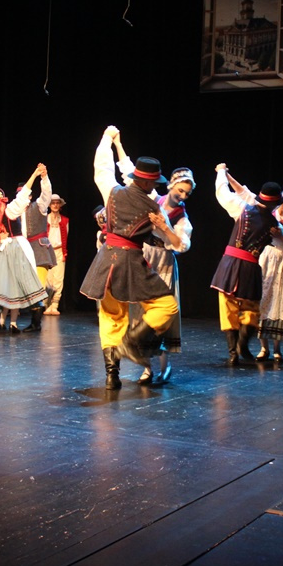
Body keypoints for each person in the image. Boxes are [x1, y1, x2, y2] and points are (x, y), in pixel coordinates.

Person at [80, 126, 179, 390]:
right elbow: (172, 242)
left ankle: (112, 376)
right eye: (154, 183)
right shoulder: (154, 208)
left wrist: (106, 139)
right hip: (131, 264)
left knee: (111, 316)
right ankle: (130, 342)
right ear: (146, 183)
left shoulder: (112, 191)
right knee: (167, 306)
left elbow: (101, 167)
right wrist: (164, 228)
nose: (155, 186)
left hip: (106, 260)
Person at [115, 140, 195, 385]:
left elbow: (181, 245)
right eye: (180, 190)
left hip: (164, 264)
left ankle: (163, 365)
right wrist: (117, 143)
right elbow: (130, 173)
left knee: (161, 314)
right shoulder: (152, 199)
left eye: (187, 193)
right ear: (170, 185)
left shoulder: (181, 218)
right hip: (144, 257)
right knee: (140, 312)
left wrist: (165, 227)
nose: (183, 196)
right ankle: (147, 368)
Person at [223, 175, 283, 362]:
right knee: (260, 300)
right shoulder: (267, 211)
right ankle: (263, 348)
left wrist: (282, 237)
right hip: (262, 258)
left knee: (276, 300)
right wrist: (227, 176)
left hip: (279, 263)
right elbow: (244, 193)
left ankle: (276, 348)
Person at [210, 164, 281, 365]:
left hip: (230, 264)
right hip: (250, 268)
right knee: (251, 310)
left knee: (227, 306)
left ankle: (233, 352)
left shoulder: (244, 210)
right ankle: (242, 344)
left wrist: (221, 173)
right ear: (275, 204)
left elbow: (222, 193)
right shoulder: (275, 225)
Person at [0, 169, 48, 333]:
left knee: (8, 285)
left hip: (4, 250)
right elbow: (24, 194)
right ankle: (13, 323)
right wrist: (35, 174)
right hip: (16, 248)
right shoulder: (10, 210)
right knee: (16, 286)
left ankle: (3, 321)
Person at [13, 167, 56, 332]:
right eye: (18, 194)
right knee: (28, 286)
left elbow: (46, 195)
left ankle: (36, 323)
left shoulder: (38, 206)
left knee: (36, 286)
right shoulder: (15, 213)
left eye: (24, 194)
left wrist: (44, 178)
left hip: (39, 249)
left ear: (30, 196)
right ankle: (37, 314)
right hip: (23, 250)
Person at [43, 194, 69, 316]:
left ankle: (55, 305)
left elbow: (65, 237)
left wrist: (64, 252)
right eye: (53, 203)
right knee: (48, 279)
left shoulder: (64, 220)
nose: (55, 205)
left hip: (59, 251)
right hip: (48, 251)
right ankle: (47, 304)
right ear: (49, 205)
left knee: (58, 279)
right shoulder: (45, 219)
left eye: (57, 203)